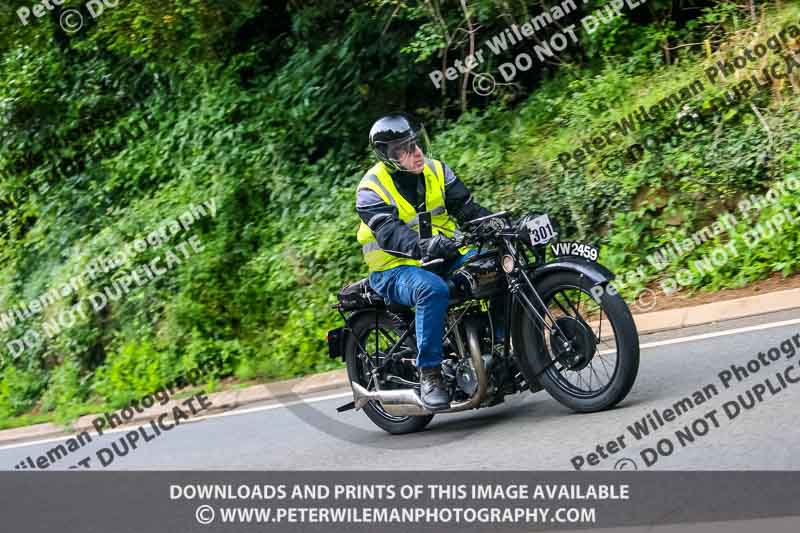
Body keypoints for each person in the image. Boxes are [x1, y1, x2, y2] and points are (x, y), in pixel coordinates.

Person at [354, 113, 504, 411]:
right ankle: (430, 373)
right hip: (393, 269)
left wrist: (496, 225)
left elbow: (467, 208)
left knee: (495, 265)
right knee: (431, 290)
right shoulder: (370, 189)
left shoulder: (437, 171)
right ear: (388, 155)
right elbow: (390, 234)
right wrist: (424, 246)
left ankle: (500, 346)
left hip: (441, 256)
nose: (416, 152)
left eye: (416, 143)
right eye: (404, 148)